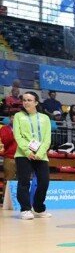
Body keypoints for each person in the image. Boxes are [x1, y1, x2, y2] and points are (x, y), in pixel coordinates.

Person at [13, 91, 52, 220]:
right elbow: (18, 136)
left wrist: (40, 152)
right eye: (24, 100)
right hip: (23, 155)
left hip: (41, 155)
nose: (26, 102)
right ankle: (25, 209)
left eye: (29, 100)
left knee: (44, 182)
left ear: (36, 102)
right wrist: (27, 151)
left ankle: (38, 208)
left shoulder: (45, 118)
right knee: (24, 182)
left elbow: (47, 138)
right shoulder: (18, 116)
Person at [0, 113, 17, 181]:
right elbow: (5, 142)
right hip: (10, 158)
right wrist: (14, 133)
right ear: (10, 118)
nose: (15, 119)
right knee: (8, 181)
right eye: (13, 117)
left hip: (24, 158)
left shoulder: (25, 129)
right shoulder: (4, 129)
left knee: (23, 182)